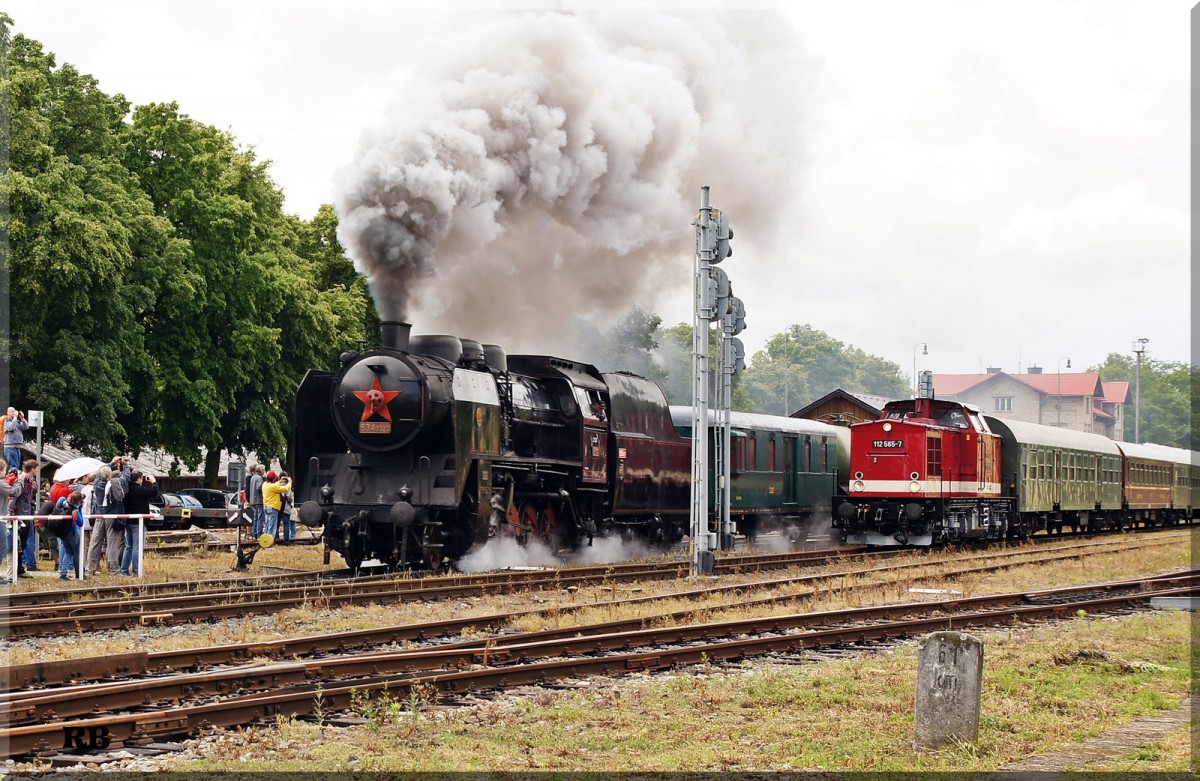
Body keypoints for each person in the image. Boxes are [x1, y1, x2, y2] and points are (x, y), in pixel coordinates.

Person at [87, 462, 129, 576]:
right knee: (112, 543)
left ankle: (90, 568)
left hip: (99, 516)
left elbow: (99, 472)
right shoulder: (115, 484)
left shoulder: (97, 484)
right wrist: (125, 466)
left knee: (95, 542)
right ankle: (113, 569)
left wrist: (112, 462)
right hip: (112, 515)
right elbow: (126, 478)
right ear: (110, 476)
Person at [120, 471, 157, 576]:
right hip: (139, 523)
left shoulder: (126, 491)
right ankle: (136, 570)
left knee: (128, 547)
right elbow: (154, 492)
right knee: (137, 547)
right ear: (139, 479)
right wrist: (153, 482)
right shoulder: (140, 491)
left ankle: (124, 570)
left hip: (128, 521)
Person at [8, 460, 39, 577]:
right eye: (36, 468)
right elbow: (14, 496)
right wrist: (10, 513)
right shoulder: (21, 481)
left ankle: (19, 569)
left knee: (23, 543)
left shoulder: (30, 481)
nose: (37, 471)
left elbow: (32, 493)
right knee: (19, 543)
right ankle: (18, 569)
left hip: (26, 514)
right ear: (32, 469)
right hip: (20, 515)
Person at [52, 490, 85, 580]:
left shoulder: (63, 501)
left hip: (62, 532)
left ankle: (63, 573)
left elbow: (57, 506)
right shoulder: (75, 510)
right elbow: (81, 523)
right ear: (78, 501)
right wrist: (80, 509)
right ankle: (79, 573)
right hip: (72, 532)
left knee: (68, 552)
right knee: (75, 552)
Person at [0, 457, 21, 583]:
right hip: (0, 518)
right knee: (3, 547)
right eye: (5, 470)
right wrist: (20, 481)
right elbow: (14, 492)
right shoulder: (1, 483)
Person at [261, 471, 290, 539]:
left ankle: (265, 539)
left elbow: (276, 485)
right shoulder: (273, 487)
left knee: (267, 525)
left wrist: (280, 481)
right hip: (273, 507)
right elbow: (285, 488)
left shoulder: (265, 484)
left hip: (266, 506)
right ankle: (270, 540)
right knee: (272, 526)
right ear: (273, 479)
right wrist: (290, 482)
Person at [3, 408, 27, 473]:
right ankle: (12, 479)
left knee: (17, 466)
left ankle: (14, 478)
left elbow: (25, 427)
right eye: (12, 411)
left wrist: (22, 418)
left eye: (14, 411)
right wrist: (15, 417)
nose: (14, 413)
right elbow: (11, 428)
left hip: (17, 446)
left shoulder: (17, 421)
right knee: (14, 466)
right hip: (10, 446)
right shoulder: (7, 421)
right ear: (8, 412)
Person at [247, 464, 265, 537]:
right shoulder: (259, 478)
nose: (264, 471)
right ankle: (259, 533)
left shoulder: (253, 477)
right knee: (260, 517)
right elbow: (259, 488)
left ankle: (254, 533)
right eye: (263, 469)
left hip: (253, 500)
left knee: (255, 517)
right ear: (261, 470)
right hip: (259, 500)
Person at [278, 472, 296, 543]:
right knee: (286, 524)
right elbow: (289, 498)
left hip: (278, 507)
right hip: (286, 508)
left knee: (277, 524)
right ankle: (286, 540)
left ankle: (276, 538)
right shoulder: (287, 487)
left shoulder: (277, 485)